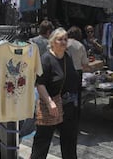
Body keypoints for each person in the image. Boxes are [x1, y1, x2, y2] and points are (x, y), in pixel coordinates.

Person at [30, 27, 81, 159]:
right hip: (51, 106)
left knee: (70, 143)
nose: (63, 42)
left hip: (68, 105)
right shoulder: (46, 59)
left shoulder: (67, 56)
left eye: (65, 39)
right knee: (42, 143)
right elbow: (39, 83)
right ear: (52, 42)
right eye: (60, 39)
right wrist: (49, 102)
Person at [67, 26, 91, 116]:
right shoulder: (80, 45)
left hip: (65, 71)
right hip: (76, 73)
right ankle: (75, 114)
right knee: (76, 94)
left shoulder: (63, 43)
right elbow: (85, 63)